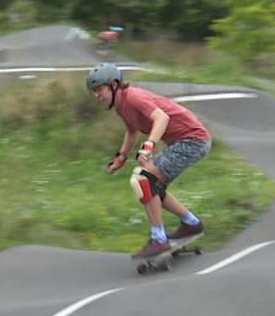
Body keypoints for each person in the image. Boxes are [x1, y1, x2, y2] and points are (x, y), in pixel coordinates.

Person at [86, 62, 212, 259]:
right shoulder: (122, 106)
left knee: (144, 180)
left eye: (100, 89)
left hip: (193, 140)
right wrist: (121, 158)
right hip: (184, 141)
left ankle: (159, 239)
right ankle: (191, 224)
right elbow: (132, 130)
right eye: (94, 91)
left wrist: (149, 146)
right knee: (151, 187)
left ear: (114, 85)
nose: (96, 95)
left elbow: (161, 118)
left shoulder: (134, 97)